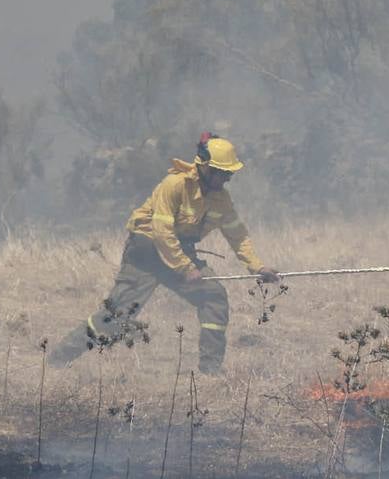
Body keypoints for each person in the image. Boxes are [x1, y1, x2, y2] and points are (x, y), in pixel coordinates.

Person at [51, 132, 279, 373]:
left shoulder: (221, 200)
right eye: (222, 173)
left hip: (180, 253)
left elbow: (238, 234)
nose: (227, 179)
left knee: (214, 297)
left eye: (229, 173)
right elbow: (161, 230)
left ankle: (209, 372)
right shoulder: (175, 185)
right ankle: (57, 359)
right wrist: (185, 268)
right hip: (146, 253)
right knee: (116, 317)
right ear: (205, 167)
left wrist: (258, 267)